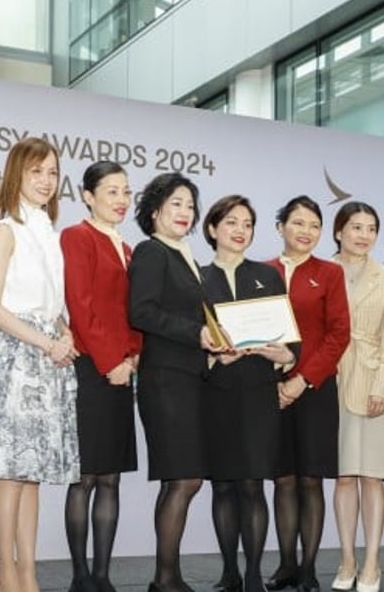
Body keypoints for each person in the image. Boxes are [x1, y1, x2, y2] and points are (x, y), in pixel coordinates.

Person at [0, 137, 80, 592]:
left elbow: (53, 303)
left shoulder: (48, 232)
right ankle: (6, 571)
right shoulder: (5, 228)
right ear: (16, 175)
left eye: (52, 173)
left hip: (47, 358)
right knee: (12, 473)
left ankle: (28, 569)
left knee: (32, 476)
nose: (46, 181)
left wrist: (63, 332)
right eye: (36, 172)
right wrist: (46, 342)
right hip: (14, 358)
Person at [127, 172, 227, 592]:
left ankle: (168, 576)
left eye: (190, 205)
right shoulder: (152, 252)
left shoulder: (186, 256)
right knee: (183, 479)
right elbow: (141, 312)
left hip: (190, 378)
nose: (185, 212)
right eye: (176, 204)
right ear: (155, 212)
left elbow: (195, 317)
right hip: (166, 380)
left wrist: (220, 341)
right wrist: (196, 335)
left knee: (185, 479)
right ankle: (165, 578)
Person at [200, 195, 295, 592]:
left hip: (258, 391)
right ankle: (229, 574)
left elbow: (291, 341)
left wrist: (283, 356)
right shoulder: (196, 277)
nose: (241, 231)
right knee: (222, 485)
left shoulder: (268, 275)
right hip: (216, 393)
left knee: (253, 484)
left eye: (248, 224)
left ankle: (254, 574)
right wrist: (211, 358)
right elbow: (189, 337)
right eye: (232, 223)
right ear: (212, 229)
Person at [60, 161, 142, 592]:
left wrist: (131, 357)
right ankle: (79, 576)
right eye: (112, 192)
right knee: (86, 476)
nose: (121, 200)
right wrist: (111, 361)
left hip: (121, 370)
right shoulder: (78, 236)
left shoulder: (128, 249)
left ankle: (104, 576)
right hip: (91, 369)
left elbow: (134, 313)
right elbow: (80, 304)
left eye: (126, 192)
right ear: (88, 196)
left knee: (110, 476)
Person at [266, 195, 351, 592]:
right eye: (298, 223)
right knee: (282, 479)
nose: (306, 232)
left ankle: (309, 568)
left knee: (310, 480)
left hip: (315, 389)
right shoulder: (259, 271)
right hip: (269, 390)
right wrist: (279, 382)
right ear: (281, 226)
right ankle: (285, 566)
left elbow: (338, 335)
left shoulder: (330, 273)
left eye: (314, 225)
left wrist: (302, 379)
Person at [330, 202, 384, 592]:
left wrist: (382, 386)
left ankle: (372, 562)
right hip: (330, 380)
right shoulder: (321, 271)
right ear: (339, 230)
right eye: (355, 226)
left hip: (375, 381)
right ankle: (346, 558)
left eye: (371, 228)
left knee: (372, 477)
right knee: (344, 477)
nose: (363, 234)